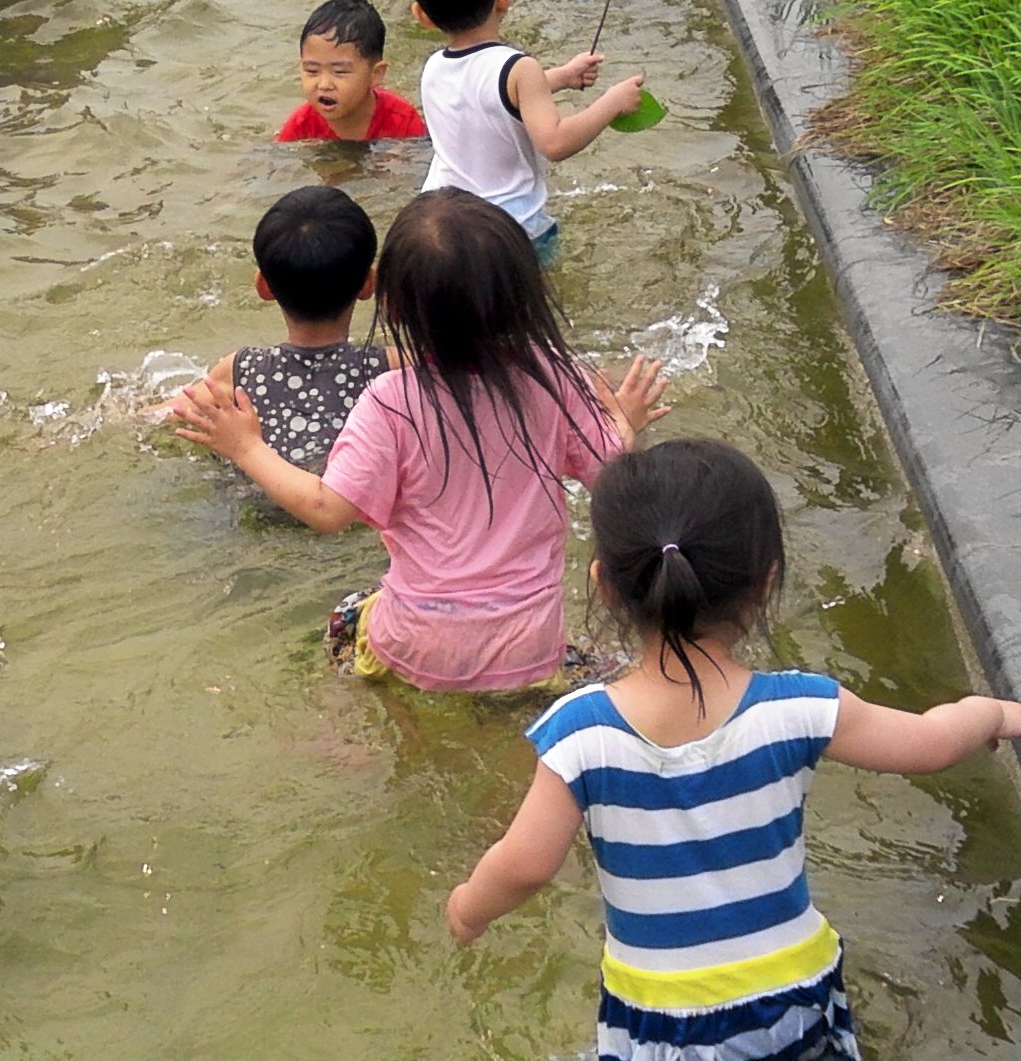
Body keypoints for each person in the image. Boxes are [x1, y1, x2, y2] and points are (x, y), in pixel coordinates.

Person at [445, 437, 1021, 1061]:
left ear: (605, 586)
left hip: (661, 1009)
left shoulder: (578, 731)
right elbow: (929, 743)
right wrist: (995, 714)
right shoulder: (797, 706)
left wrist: (468, 909)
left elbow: (525, 865)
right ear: (767, 581)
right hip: (794, 990)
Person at [169, 189, 667, 694]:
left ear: (391, 305)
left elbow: (327, 510)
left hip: (416, 644)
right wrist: (622, 422)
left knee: (347, 617)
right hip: (530, 646)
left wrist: (247, 449)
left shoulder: (391, 398)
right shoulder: (553, 378)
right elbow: (615, 480)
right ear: (523, 293)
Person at [408, 0, 644, 265]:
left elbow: (490, 99)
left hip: (444, 225)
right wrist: (612, 102)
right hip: (511, 231)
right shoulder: (520, 67)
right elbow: (555, 142)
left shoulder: (433, 68)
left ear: (422, 15)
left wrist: (562, 76)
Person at [160, 185, 388, 474]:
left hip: (257, 503)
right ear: (369, 284)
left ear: (263, 286)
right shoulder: (389, 368)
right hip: (347, 503)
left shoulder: (243, 369)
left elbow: (169, 413)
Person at [275, 0, 425, 143]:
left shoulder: (403, 122)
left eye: (339, 72)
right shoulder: (302, 125)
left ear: (375, 74)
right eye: (312, 71)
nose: (324, 85)